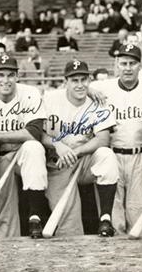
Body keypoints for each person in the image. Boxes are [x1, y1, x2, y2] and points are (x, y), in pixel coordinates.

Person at [0, 54, 49, 238]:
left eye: (10, 75)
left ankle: (35, 216)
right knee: (3, 205)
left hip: (23, 152)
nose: (5, 80)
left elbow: (34, 133)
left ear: (17, 76)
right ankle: (5, 245)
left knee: (34, 148)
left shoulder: (30, 93)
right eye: (1, 74)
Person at [88, 45, 142, 234]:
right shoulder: (103, 86)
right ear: (116, 65)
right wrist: (89, 89)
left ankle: (138, 262)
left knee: (138, 217)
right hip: (113, 155)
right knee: (114, 216)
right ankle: (114, 262)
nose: (128, 68)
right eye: (123, 63)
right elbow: (75, 85)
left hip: (141, 156)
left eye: (132, 63)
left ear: (140, 66)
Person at [41, 60, 119, 236]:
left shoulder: (97, 102)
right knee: (69, 229)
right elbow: (39, 133)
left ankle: (105, 217)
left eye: (84, 80)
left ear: (89, 80)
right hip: (58, 164)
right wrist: (57, 145)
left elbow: (103, 139)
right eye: (74, 80)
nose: (80, 84)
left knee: (106, 155)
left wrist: (76, 152)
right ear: (65, 81)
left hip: (83, 161)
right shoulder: (50, 99)